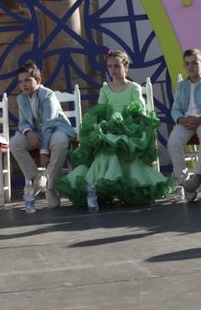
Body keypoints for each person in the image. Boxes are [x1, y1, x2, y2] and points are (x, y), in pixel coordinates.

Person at [58, 49, 172, 207]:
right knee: (106, 146)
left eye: (117, 66)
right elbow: (101, 111)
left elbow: (140, 110)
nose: (113, 70)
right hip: (110, 127)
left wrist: (127, 122)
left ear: (126, 67)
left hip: (130, 127)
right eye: (110, 66)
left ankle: (130, 187)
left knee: (121, 144)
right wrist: (104, 124)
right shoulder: (105, 89)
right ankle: (104, 188)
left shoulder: (133, 88)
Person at [9, 59, 77, 208]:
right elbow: (23, 122)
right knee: (14, 143)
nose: (23, 85)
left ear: (38, 80)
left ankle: (51, 186)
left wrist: (44, 152)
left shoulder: (48, 95)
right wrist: (28, 133)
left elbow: (48, 124)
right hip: (37, 133)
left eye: (27, 80)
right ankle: (36, 176)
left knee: (59, 143)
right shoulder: (21, 98)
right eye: (20, 82)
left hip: (56, 129)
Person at [165, 48, 201, 202]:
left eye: (194, 63)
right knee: (173, 142)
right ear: (184, 66)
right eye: (187, 64)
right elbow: (176, 109)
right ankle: (186, 183)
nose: (191, 67)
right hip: (186, 122)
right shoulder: (182, 86)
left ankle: (197, 178)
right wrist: (180, 119)